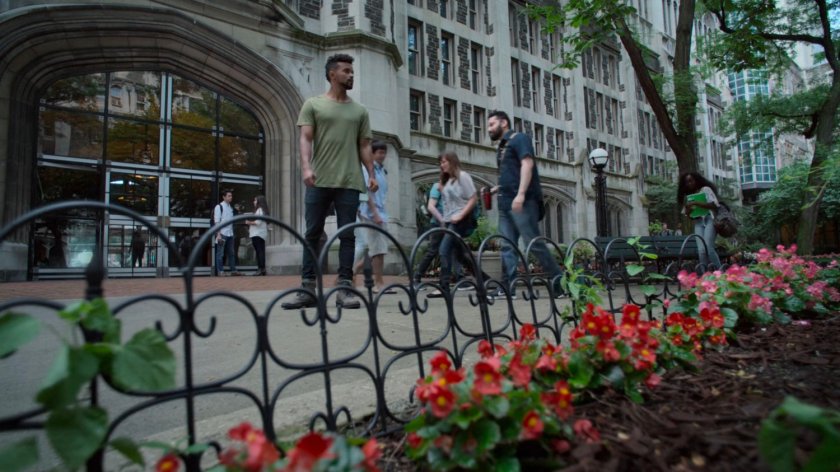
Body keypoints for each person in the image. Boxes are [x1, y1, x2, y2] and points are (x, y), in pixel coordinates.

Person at [282, 53, 378, 310]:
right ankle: (307, 290)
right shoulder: (313, 104)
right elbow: (305, 138)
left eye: (352, 71)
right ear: (332, 74)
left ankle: (344, 288)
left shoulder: (360, 111)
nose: (351, 75)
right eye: (346, 71)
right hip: (320, 179)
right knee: (312, 234)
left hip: (349, 180)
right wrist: (306, 167)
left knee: (347, 235)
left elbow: (365, 144)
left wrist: (371, 174)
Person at [486, 110, 563, 299]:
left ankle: (560, 285)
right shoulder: (502, 147)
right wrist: (498, 188)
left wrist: (520, 195)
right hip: (505, 202)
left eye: (491, 124)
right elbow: (512, 173)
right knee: (507, 246)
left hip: (523, 201)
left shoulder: (519, 138)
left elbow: (527, 164)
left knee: (534, 244)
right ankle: (507, 288)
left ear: (504, 123)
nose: (489, 129)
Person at [427, 152, 487, 298]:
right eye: (440, 163)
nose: (442, 165)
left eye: (444, 162)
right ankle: (485, 280)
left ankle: (444, 286)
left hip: (460, 220)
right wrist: (443, 220)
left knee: (443, 250)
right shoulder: (448, 180)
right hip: (449, 221)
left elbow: (473, 199)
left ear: (452, 161)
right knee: (461, 256)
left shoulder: (463, 177)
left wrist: (461, 214)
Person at [352, 140, 393, 293]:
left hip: (381, 213)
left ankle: (352, 272)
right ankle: (378, 283)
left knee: (377, 250)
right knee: (378, 250)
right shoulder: (368, 170)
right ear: (373, 153)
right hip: (371, 214)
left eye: (384, 152)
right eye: (379, 152)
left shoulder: (382, 170)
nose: (382, 155)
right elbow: (366, 193)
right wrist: (375, 213)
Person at [413, 166, 464, 289]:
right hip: (438, 224)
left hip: (450, 224)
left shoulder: (452, 189)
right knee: (433, 251)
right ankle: (416, 277)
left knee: (454, 250)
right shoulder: (437, 187)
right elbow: (431, 206)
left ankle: (459, 278)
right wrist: (441, 221)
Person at [677, 172, 722, 268]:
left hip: (709, 219)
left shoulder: (705, 189)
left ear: (696, 180)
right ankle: (704, 275)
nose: (689, 184)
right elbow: (689, 216)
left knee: (709, 248)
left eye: (691, 181)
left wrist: (697, 203)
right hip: (698, 222)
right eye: (686, 182)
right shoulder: (689, 197)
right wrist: (689, 210)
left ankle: (720, 272)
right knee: (701, 250)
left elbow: (714, 205)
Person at [214, 190, 240, 276]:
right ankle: (220, 271)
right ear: (224, 197)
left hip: (230, 234)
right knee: (220, 253)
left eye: (231, 196)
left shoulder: (230, 208)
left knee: (231, 253)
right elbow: (217, 221)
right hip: (222, 233)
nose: (230, 197)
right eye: (229, 196)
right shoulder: (219, 207)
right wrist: (218, 234)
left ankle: (233, 270)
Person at [245, 195, 269, 276]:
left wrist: (249, 222)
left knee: (259, 252)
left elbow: (258, 222)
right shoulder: (263, 210)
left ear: (259, 202)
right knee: (261, 251)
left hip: (257, 234)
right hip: (260, 234)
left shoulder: (259, 210)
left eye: (255, 200)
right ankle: (262, 269)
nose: (254, 202)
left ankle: (260, 269)